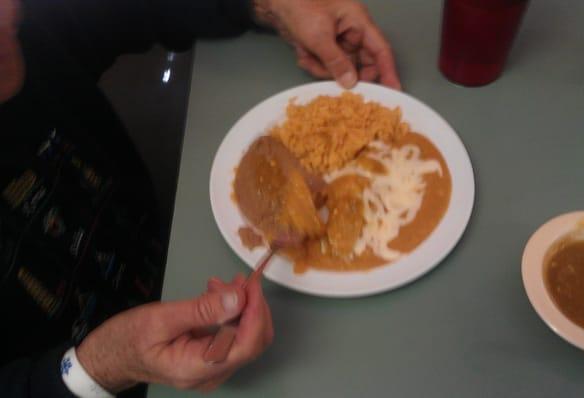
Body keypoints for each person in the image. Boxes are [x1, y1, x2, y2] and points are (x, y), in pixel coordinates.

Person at [0, 0, 401, 396]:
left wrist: (271, 7)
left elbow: (132, 9)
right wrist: (99, 369)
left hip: (164, 246)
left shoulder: (23, 28)